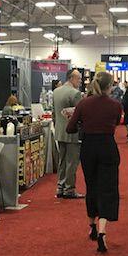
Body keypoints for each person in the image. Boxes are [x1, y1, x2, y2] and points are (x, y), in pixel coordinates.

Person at [66, 71, 123, 253]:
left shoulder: (83, 103)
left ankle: (91, 225)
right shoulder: (115, 105)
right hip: (107, 146)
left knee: (92, 186)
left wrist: (81, 123)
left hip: (88, 148)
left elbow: (70, 128)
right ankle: (102, 231)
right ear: (110, 86)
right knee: (108, 188)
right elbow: (115, 124)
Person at [53, 70, 85, 199]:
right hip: (73, 133)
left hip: (60, 131)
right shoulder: (76, 93)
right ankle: (69, 188)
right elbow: (80, 114)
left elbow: (54, 113)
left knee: (62, 161)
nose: (81, 81)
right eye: (79, 79)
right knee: (72, 162)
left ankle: (60, 186)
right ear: (72, 78)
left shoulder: (56, 91)